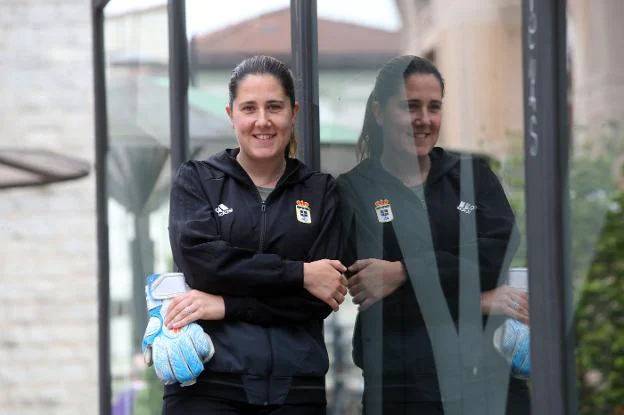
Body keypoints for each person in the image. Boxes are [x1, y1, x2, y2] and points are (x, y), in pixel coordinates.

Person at [337, 55, 531, 414]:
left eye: (434, 107)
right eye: (410, 107)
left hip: (488, 381)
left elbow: (494, 255)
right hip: (401, 388)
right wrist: (479, 300)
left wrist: (403, 271)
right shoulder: (354, 191)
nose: (424, 120)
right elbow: (375, 294)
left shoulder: (472, 175)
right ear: (380, 113)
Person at [161, 55, 348, 415]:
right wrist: (299, 273)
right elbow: (205, 267)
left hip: (296, 390)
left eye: (274, 107)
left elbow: (318, 299)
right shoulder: (197, 180)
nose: (262, 121)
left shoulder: (322, 192)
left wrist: (225, 305)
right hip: (208, 388)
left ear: (293, 113)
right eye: (250, 108)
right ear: (231, 115)